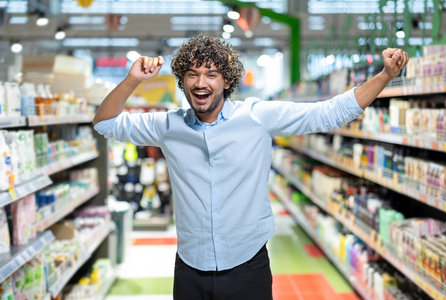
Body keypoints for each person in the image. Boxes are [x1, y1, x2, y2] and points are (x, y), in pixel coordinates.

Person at [93, 34, 408, 300]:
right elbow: (105, 123)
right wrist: (133, 79)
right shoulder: (166, 125)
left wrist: (384, 76)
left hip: (246, 267)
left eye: (211, 74)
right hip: (190, 267)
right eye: (192, 74)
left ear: (227, 80)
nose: (200, 83)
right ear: (182, 81)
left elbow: (327, 113)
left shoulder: (257, 117)